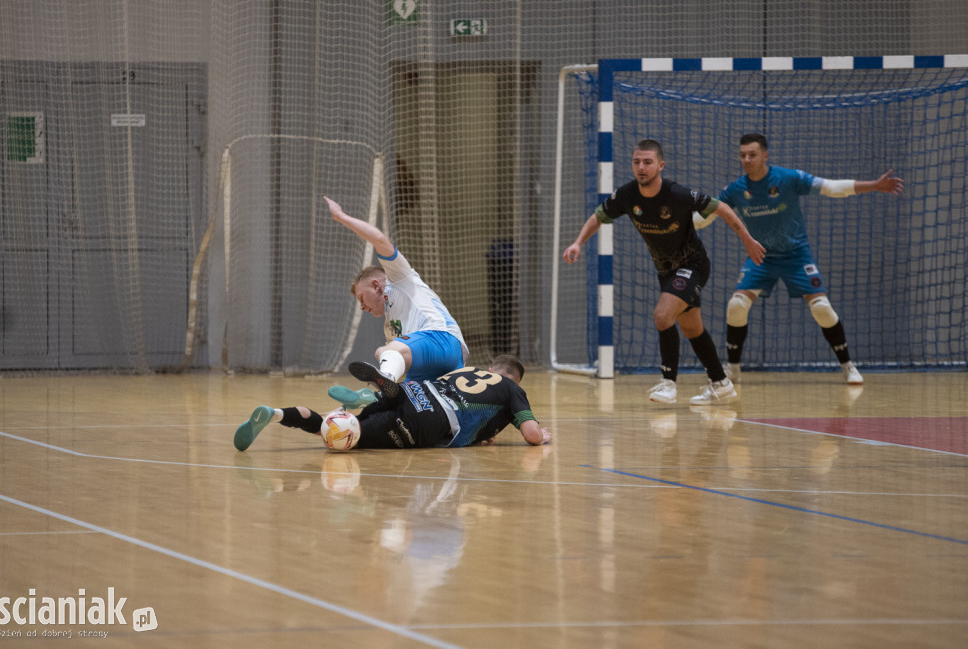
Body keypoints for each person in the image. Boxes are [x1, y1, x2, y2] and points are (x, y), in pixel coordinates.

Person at [562, 139, 766, 405]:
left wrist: (748, 241)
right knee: (692, 328)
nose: (641, 167)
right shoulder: (627, 195)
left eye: (647, 162)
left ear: (660, 165)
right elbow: (598, 216)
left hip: (693, 265)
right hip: (666, 271)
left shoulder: (678, 194)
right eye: (636, 162)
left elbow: (723, 209)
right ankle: (721, 383)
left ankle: (668, 383)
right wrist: (578, 242)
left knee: (662, 316)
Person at [699, 133, 903, 385]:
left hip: (796, 255)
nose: (747, 159)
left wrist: (873, 185)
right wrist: (681, 223)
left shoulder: (788, 178)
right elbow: (707, 216)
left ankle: (848, 365)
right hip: (761, 256)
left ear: (765, 155)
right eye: (742, 155)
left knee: (822, 309)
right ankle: (732, 369)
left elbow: (830, 188)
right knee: (736, 307)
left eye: (752, 154)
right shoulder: (735, 190)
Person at [323, 196, 469, 407]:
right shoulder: (391, 327)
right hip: (436, 369)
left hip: (443, 340)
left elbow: (380, 239)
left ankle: (379, 391)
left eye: (362, 299)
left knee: (385, 351)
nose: (362, 307)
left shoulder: (400, 278)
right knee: (398, 408)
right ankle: (355, 413)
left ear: (376, 285)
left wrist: (341, 216)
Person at [233, 355, 551, 451]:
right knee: (344, 440)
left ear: (492, 367)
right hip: (430, 420)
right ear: (513, 378)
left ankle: (276, 414)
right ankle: (376, 390)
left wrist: (484, 432)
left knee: (335, 428)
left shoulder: (468, 369)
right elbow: (532, 434)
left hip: (415, 393)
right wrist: (543, 436)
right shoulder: (512, 390)